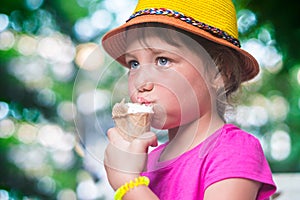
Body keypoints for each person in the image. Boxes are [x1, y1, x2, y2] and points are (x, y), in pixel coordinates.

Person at [101, 0, 277, 199]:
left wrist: (128, 183)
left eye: (163, 60)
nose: (142, 82)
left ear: (219, 72)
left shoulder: (234, 151)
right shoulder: (146, 164)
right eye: (134, 64)